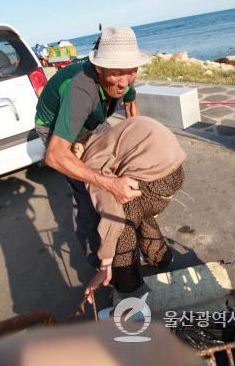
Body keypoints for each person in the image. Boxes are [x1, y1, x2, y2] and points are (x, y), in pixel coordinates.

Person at [35, 27, 150, 258]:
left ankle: (130, 234)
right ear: (99, 67)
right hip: (55, 124)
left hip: (93, 120)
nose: (124, 82)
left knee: (117, 164)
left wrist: (136, 151)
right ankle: (96, 256)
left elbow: (130, 106)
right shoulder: (81, 87)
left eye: (131, 72)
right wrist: (107, 183)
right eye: (118, 73)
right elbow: (55, 156)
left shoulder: (123, 76)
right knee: (88, 190)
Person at [73, 116, 186, 304]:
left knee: (122, 221)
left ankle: (130, 293)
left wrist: (105, 262)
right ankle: (161, 257)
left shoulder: (90, 159)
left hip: (157, 182)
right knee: (137, 204)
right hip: (176, 171)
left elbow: (112, 216)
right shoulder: (107, 138)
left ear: (77, 147)